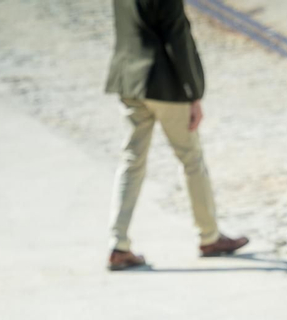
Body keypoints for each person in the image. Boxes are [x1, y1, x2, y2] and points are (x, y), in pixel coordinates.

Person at [104, 0, 248, 270]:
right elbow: (178, 39)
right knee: (191, 158)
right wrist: (194, 92)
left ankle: (118, 243)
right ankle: (209, 236)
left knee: (131, 160)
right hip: (165, 84)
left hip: (129, 80)